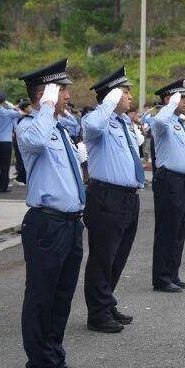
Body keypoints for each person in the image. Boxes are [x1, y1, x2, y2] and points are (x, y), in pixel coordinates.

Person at [14, 60, 88, 368]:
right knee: (41, 296)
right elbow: (35, 144)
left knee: (62, 295)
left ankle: (55, 355)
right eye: (63, 90)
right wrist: (45, 106)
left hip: (70, 224)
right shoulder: (30, 126)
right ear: (45, 94)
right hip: (47, 223)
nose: (69, 96)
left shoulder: (57, 127)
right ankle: (40, 364)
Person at [81, 67, 144, 334]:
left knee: (118, 256)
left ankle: (107, 302)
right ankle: (97, 313)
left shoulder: (122, 123)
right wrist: (108, 102)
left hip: (128, 197)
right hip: (106, 196)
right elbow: (94, 125)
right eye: (124, 92)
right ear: (111, 96)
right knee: (102, 257)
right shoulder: (96, 121)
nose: (130, 96)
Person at [149, 79, 185, 293]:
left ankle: (173, 273)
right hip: (168, 181)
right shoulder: (162, 121)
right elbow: (159, 121)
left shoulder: (179, 121)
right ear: (169, 98)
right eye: (181, 97)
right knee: (167, 230)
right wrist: (169, 106)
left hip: (182, 182)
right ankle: (161, 277)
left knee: (179, 230)